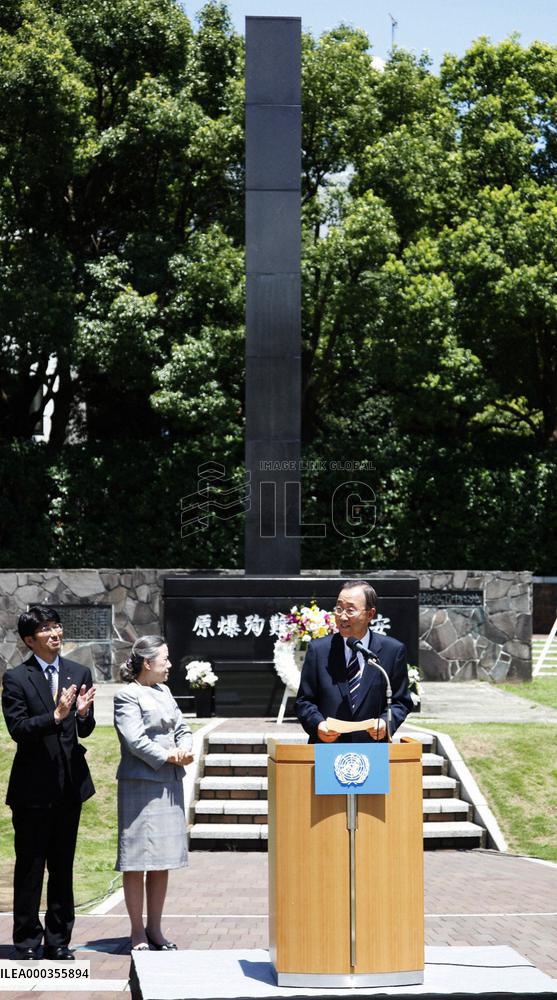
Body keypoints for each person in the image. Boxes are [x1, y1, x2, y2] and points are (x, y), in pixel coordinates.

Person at [1, 605, 96, 961]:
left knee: (62, 866)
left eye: (56, 626)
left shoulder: (78, 672)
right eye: (45, 629)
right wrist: (55, 715)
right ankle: (27, 940)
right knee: (30, 866)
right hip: (32, 789)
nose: (55, 633)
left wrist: (82, 714)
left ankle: (58, 941)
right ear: (30, 640)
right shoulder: (16, 678)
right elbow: (18, 729)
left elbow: (84, 728)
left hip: (69, 786)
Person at [114, 636, 193, 952]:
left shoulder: (165, 691)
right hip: (140, 785)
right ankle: (137, 931)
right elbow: (134, 740)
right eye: (165, 659)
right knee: (136, 860)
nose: (170, 664)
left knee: (162, 859)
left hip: (168, 783)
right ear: (147, 663)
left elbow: (182, 728)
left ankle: (155, 929)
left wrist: (185, 748)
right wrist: (169, 755)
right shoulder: (127, 695)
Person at [295, 580, 412, 743]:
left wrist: (386, 723)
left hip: (371, 748)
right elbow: (304, 701)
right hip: (328, 747)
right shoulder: (319, 650)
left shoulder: (392, 651)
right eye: (339, 609)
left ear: (370, 614)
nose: (342, 616)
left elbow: (400, 701)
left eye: (350, 610)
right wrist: (318, 725)